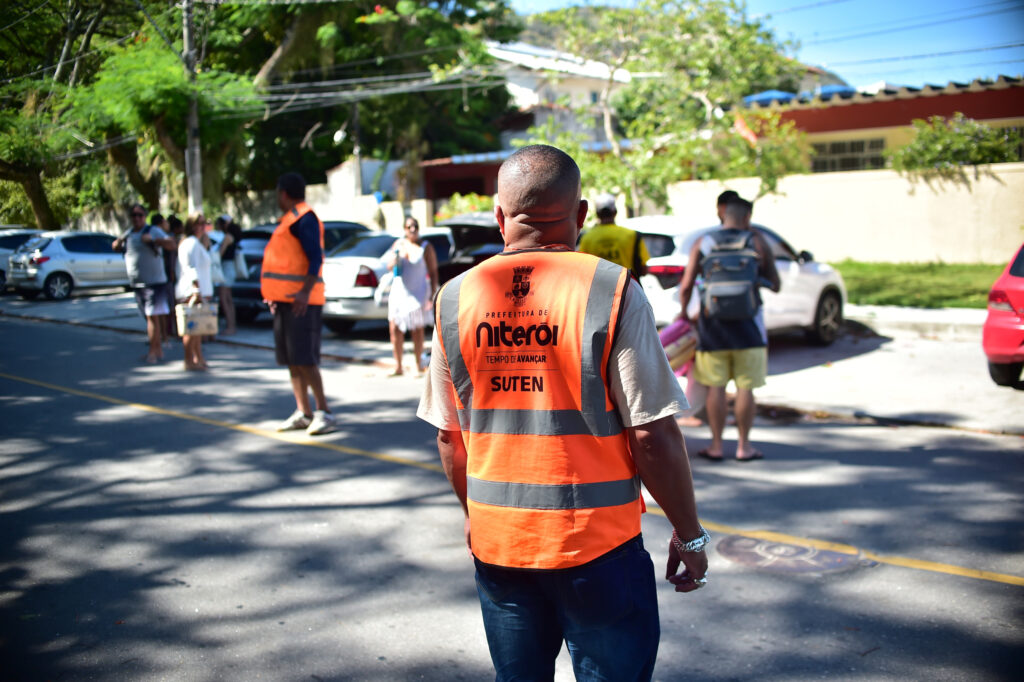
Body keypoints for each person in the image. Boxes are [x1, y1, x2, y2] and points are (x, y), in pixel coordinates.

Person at [417, 145, 708, 681]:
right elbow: (652, 434)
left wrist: (477, 517)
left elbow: (449, 439)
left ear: (499, 216)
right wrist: (688, 534)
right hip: (597, 548)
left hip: (501, 548)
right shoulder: (612, 289)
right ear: (580, 214)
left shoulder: (455, 298)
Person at [679, 196, 780, 462]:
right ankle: (744, 447)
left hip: (712, 329)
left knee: (716, 388)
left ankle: (715, 446)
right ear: (747, 217)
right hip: (749, 329)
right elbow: (776, 283)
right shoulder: (757, 242)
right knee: (746, 388)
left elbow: (686, 286)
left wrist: (684, 313)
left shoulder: (704, 242)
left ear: (722, 214)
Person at [261, 172, 335, 436]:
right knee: (293, 360)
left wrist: (303, 293)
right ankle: (303, 412)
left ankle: (324, 411)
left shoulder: (304, 218)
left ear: (283, 193)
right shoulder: (289, 220)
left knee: (305, 359)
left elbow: (315, 258)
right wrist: (274, 295)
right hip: (286, 302)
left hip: (302, 302)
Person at [113, 203, 177, 364]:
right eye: (133, 215)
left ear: (145, 216)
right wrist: (118, 242)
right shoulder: (129, 232)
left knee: (152, 318)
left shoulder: (152, 230)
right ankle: (158, 349)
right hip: (138, 284)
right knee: (150, 318)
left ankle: (153, 352)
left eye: (140, 215)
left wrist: (154, 240)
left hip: (154, 283)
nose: (137, 218)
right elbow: (115, 246)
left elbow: (172, 244)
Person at [385, 216, 439, 376]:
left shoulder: (425, 247)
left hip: (418, 292)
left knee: (417, 329)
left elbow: (433, 271)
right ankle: (398, 366)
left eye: (415, 226)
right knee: (395, 327)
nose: (412, 229)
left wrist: (432, 293)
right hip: (399, 292)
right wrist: (395, 259)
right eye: (409, 227)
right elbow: (389, 266)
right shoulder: (398, 245)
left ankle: (418, 365)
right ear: (405, 229)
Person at [577, 192, 649, 279]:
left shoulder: (587, 238)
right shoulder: (632, 235)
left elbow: (583, 268)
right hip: (627, 285)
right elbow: (644, 270)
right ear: (615, 212)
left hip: (599, 286)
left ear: (597, 214)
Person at [176, 213, 215, 371]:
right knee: (191, 329)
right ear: (191, 226)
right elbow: (191, 268)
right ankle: (188, 360)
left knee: (197, 329)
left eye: (203, 223)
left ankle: (198, 357)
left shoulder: (196, 243)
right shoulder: (191, 243)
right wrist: (196, 290)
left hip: (198, 291)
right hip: (192, 292)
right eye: (198, 223)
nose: (201, 226)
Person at [212, 215, 238, 335]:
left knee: (224, 299)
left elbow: (220, 253)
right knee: (228, 299)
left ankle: (230, 326)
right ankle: (231, 325)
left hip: (227, 268)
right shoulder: (229, 236)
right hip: (229, 268)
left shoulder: (227, 237)